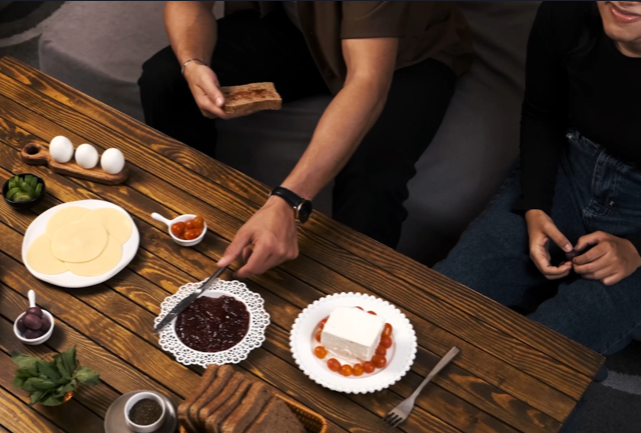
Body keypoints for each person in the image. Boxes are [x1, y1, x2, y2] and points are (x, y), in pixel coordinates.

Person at [139, 1, 472, 277]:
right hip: (302, 31)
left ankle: (351, 313)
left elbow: (367, 80)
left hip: (404, 55)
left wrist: (287, 200)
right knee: (166, 80)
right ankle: (193, 217)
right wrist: (192, 63)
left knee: (371, 180)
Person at [435, 1, 641, 359]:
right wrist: (535, 205)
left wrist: (636, 248)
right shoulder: (567, 11)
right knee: (441, 304)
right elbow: (542, 114)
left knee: (542, 360)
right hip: (571, 168)